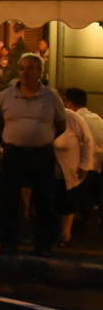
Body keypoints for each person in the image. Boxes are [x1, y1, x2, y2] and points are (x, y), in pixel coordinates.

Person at [0, 53, 65, 257]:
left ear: (40, 72)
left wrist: (40, 138)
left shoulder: (51, 97)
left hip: (41, 154)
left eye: (30, 68)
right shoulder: (5, 96)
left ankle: (43, 245)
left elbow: (61, 125)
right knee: (8, 200)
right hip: (14, 153)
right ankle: (8, 243)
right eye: (22, 68)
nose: (25, 72)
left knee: (44, 200)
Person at [54, 93, 95, 249]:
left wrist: (85, 164)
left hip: (69, 168)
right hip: (48, 169)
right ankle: (52, 232)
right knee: (51, 200)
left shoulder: (72, 118)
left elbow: (88, 140)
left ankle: (65, 233)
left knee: (67, 201)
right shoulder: (44, 118)